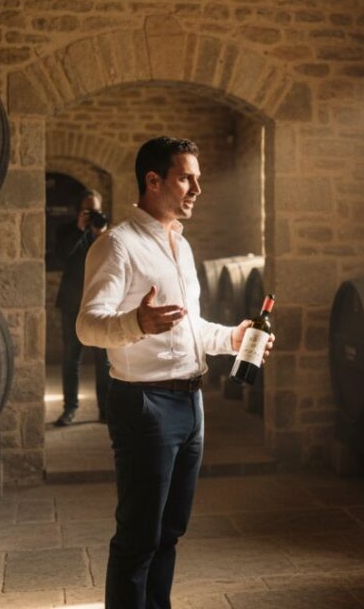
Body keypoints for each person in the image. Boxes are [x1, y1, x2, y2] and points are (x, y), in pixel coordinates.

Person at [75, 136, 274, 609]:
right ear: (153, 180)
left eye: (197, 178)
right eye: (187, 177)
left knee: (170, 531)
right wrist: (134, 323)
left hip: (190, 403)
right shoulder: (117, 245)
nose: (196, 189)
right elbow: (86, 326)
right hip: (145, 405)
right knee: (139, 535)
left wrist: (231, 338)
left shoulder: (180, 247)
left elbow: (190, 328)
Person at [54, 189, 111, 426]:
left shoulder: (108, 232)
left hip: (100, 304)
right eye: (87, 211)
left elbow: (113, 261)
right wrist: (79, 230)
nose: (92, 215)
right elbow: (58, 258)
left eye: (95, 211)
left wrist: (101, 235)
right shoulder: (67, 230)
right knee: (70, 358)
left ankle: (105, 410)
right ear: (79, 211)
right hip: (71, 304)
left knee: (104, 360)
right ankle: (70, 409)